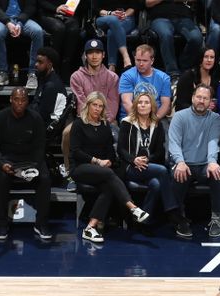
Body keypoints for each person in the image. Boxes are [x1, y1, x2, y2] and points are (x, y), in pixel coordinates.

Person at [70, 92, 149, 244]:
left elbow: (111, 153)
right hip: (80, 168)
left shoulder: (105, 126)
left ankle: (90, 228)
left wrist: (109, 161)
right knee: (109, 174)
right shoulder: (79, 124)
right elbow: (76, 152)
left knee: (108, 188)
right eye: (94, 105)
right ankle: (132, 207)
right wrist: (97, 161)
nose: (97, 109)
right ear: (88, 105)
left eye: (100, 106)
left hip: (102, 171)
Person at [0, 87, 53, 241]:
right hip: (7, 159)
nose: (19, 103)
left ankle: (41, 223)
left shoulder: (36, 118)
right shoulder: (0, 117)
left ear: (27, 101)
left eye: (23, 100)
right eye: (16, 99)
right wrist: (1, 163)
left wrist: (34, 167)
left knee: (44, 179)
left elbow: (40, 147)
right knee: (1, 178)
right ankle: (2, 222)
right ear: (11, 99)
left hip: (30, 160)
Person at [167, 84, 220, 238]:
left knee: (218, 174)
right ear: (193, 98)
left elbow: (213, 141)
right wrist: (179, 161)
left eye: (205, 98)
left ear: (210, 102)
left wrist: (212, 161)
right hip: (184, 163)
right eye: (199, 97)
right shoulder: (180, 116)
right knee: (178, 175)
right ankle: (180, 218)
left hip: (204, 164)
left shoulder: (215, 118)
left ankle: (217, 217)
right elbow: (174, 143)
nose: (201, 101)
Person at [62, 38, 120, 177]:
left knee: (117, 133)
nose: (94, 56)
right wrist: (90, 120)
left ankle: (115, 172)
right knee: (66, 133)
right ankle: (69, 171)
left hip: (106, 118)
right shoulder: (76, 76)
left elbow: (113, 103)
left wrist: (102, 120)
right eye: (90, 53)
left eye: (98, 52)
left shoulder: (112, 77)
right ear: (85, 56)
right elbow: (82, 103)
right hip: (82, 119)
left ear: (103, 55)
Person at [117, 92, 175, 226]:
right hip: (130, 167)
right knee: (162, 170)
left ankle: (143, 222)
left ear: (152, 106)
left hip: (149, 167)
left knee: (156, 184)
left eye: (146, 102)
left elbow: (160, 152)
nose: (142, 105)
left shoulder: (157, 124)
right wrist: (134, 160)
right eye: (140, 102)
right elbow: (121, 150)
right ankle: (172, 210)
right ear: (136, 105)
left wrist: (147, 160)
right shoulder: (127, 123)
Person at [0, 0, 43, 88]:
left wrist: (20, 23)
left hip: (22, 19)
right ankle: (3, 71)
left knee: (38, 31)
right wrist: (7, 22)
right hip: (2, 19)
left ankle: (32, 73)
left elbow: (31, 6)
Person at [145, 0, 203, 82]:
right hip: (160, 17)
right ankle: (173, 73)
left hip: (184, 17)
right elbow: (147, 3)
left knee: (196, 38)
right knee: (166, 35)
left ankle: (184, 66)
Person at [118, 44, 172, 121]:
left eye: (145, 61)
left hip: (156, 117)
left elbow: (165, 105)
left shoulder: (164, 78)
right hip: (131, 117)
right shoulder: (127, 76)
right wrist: (140, 121)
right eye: (138, 60)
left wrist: (153, 120)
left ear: (152, 61)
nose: (141, 64)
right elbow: (127, 103)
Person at [93, 0, 138, 72]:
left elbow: (133, 7)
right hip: (104, 17)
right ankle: (126, 56)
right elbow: (95, 9)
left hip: (126, 18)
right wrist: (110, 13)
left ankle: (111, 66)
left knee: (111, 31)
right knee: (113, 19)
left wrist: (124, 15)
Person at [175, 47, 220, 112]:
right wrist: (202, 106)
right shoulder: (187, 77)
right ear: (200, 58)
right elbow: (180, 104)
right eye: (206, 57)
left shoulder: (215, 77)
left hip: (208, 116)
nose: (209, 60)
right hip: (188, 115)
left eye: (212, 57)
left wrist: (213, 104)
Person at [31, 47, 66, 128]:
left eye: (40, 62)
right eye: (36, 61)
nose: (36, 64)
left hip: (45, 127)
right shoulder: (42, 76)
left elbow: (42, 115)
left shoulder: (51, 86)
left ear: (50, 64)